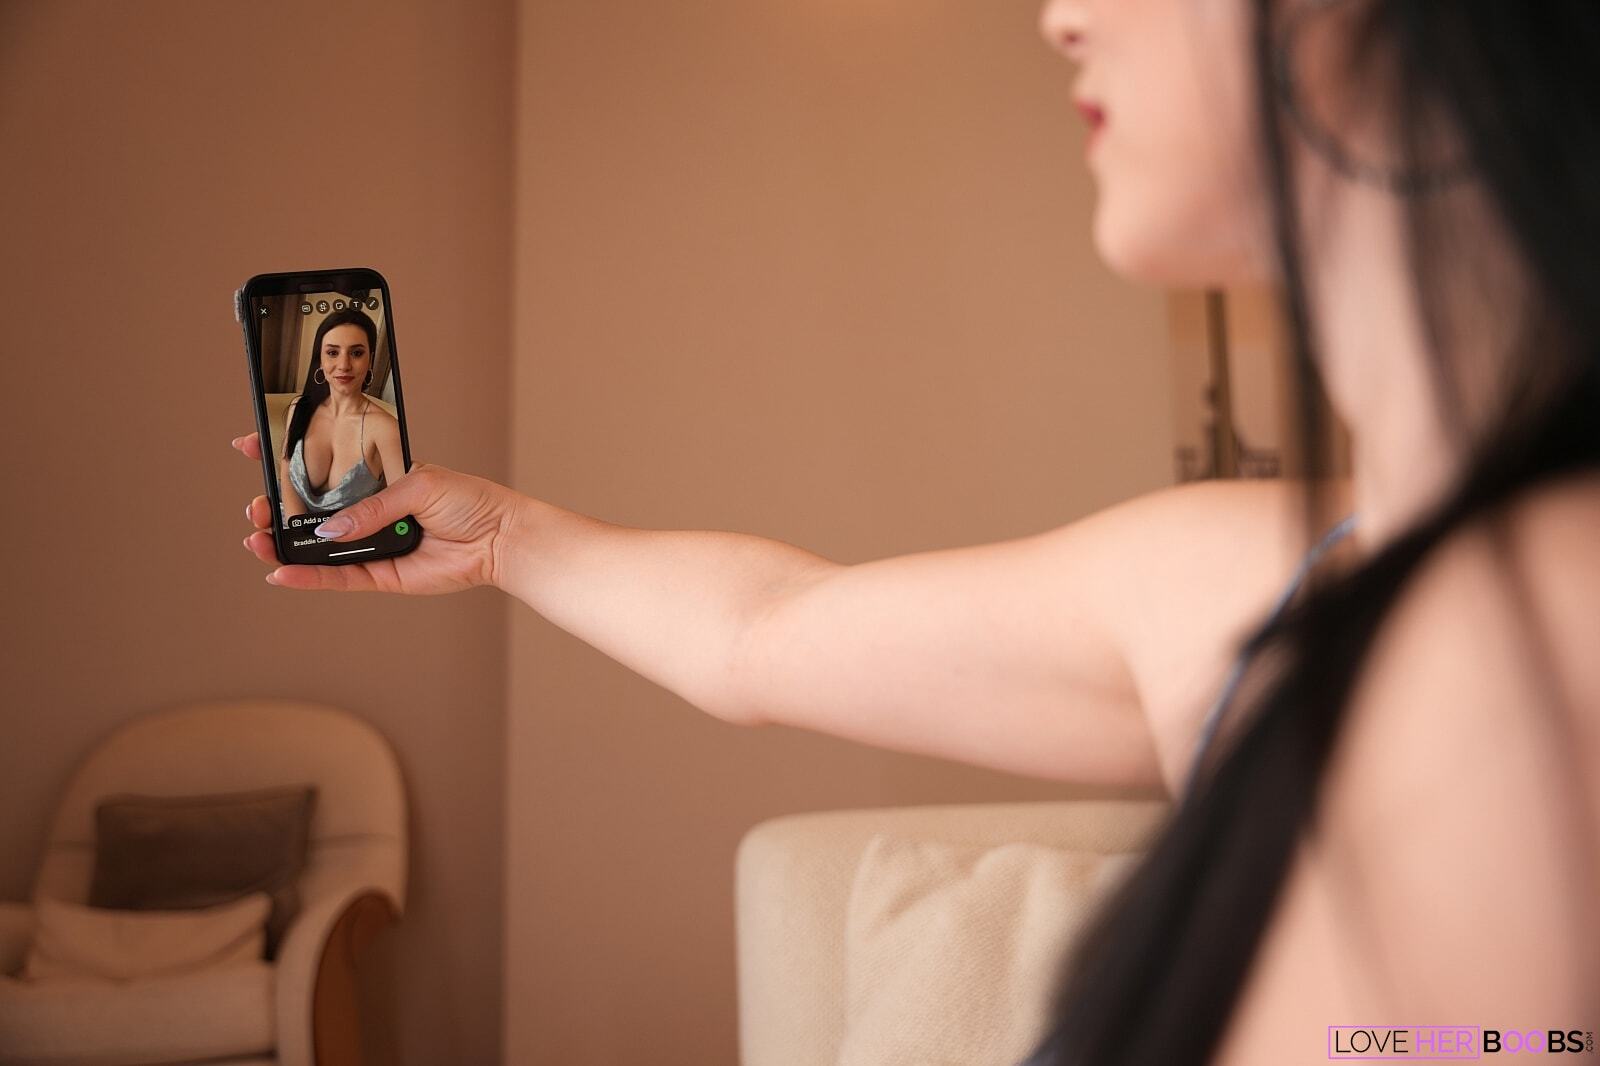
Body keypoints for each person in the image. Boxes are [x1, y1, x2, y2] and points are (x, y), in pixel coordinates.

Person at [231, 0, 1600, 1062]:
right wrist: (503, 539)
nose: (1061, 15)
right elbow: (762, 631)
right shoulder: (1229, 577)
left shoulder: (1550, 644)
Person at [277, 307, 404, 522]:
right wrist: (300, 534)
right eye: (332, 353)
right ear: (320, 359)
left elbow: (401, 509)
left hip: (357, 538)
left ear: (370, 360)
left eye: (356, 353)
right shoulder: (299, 407)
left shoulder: (386, 428)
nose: (344, 365)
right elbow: (286, 478)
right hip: (291, 528)